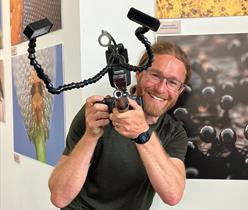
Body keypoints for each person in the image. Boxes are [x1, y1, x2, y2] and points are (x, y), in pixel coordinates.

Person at [48, 42, 191, 210]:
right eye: (155, 75)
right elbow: (59, 196)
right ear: (139, 74)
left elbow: (173, 195)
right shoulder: (97, 114)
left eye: (173, 82)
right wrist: (90, 136)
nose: (161, 88)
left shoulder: (174, 132)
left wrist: (142, 133)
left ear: (180, 91)